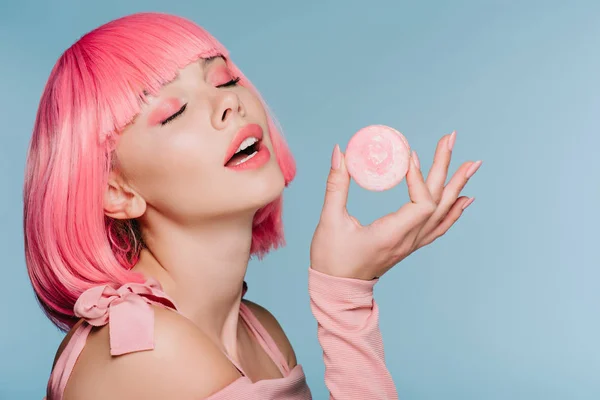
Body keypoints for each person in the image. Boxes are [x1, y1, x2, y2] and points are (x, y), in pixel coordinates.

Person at [24, 12, 481, 400]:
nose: (228, 103)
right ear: (117, 192)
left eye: (224, 79)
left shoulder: (261, 331)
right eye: (173, 112)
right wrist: (346, 299)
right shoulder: (145, 349)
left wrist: (346, 285)